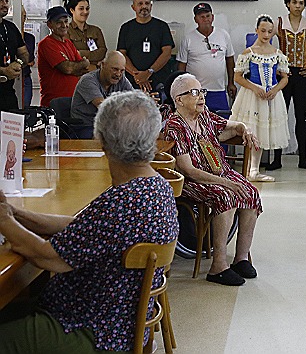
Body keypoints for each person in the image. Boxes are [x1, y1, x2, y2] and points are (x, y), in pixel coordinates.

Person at [0, 91, 178, 352]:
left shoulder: (121, 201)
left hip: (88, 330)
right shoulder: (155, 187)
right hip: (118, 325)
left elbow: (48, 257)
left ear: (102, 140)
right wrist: (17, 215)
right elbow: (80, 225)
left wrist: (4, 221)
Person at [164, 74, 262, 286]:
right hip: (194, 180)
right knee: (227, 196)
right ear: (179, 99)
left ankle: (241, 258)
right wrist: (225, 183)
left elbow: (231, 126)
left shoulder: (204, 116)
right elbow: (188, 170)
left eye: (201, 91)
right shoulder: (175, 126)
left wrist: (244, 129)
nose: (201, 97)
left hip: (218, 172)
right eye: (194, 92)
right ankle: (218, 266)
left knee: (251, 193)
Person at [230, 15, 290, 183]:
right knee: (251, 130)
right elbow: (238, 77)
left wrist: (275, 89)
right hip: (252, 96)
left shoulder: (277, 54)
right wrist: (255, 88)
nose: (266, 34)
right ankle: (249, 168)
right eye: (263, 31)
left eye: (270, 32)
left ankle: (254, 170)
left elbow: (285, 78)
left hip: (271, 96)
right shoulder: (248, 53)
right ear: (256, 30)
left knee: (263, 131)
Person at [270, 0, 306, 170]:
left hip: (301, 75)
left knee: (301, 116)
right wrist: (271, 64)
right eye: (294, 2)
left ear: (305, 5)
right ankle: (276, 159)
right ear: (288, 4)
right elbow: (264, 39)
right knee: (279, 116)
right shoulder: (279, 22)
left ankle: (303, 158)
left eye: (301, 3)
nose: (297, 6)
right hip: (282, 75)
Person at [176, 2, 236, 113]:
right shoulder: (188, 38)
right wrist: (182, 89)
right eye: (201, 17)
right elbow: (181, 66)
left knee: (222, 124)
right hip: (195, 92)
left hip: (219, 90)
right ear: (196, 19)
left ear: (212, 17)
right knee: (196, 123)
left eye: (208, 16)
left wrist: (231, 82)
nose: (205, 19)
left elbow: (230, 59)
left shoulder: (223, 35)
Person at [117, 0, 174, 92]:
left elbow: (167, 53)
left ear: (151, 6)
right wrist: (137, 75)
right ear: (133, 7)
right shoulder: (126, 28)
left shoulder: (162, 26)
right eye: (140, 4)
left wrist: (149, 72)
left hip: (158, 82)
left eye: (147, 3)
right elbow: (122, 54)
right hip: (132, 82)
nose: (144, 6)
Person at [70, 50, 134, 138]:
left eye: (122, 70)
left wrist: (145, 101)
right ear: (103, 65)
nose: (118, 74)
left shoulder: (121, 79)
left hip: (107, 125)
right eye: (115, 69)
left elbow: (134, 99)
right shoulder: (87, 80)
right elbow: (103, 106)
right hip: (85, 126)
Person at [37, 6, 90, 107]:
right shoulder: (46, 44)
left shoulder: (68, 43)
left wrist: (76, 66)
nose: (64, 25)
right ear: (49, 25)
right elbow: (67, 68)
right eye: (58, 22)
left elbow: (83, 70)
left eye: (66, 21)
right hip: (53, 102)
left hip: (73, 101)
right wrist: (83, 62)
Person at [0, 0, 30, 111]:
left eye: (7, 1)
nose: (4, 5)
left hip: (8, 95)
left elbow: (24, 55)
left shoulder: (11, 27)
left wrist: (18, 64)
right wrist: (3, 70)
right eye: (0, 1)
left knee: (13, 129)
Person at [63, 0, 106, 71]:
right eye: (81, 9)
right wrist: (93, 62)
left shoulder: (96, 30)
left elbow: (102, 52)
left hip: (95, 74)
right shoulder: (66, 31)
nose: (85, 12)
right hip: (76, 75)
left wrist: (81, 53)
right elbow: (70, 55)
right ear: (72, 10)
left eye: (87, 8)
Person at [20, 6, 36, 108]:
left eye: (24, 15)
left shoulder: (30, 38)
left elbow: (30, 60)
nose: (23, 18)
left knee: (26, 109)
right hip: (9, 79)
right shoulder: (8, 33)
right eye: (22, 15)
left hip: (25, 78)